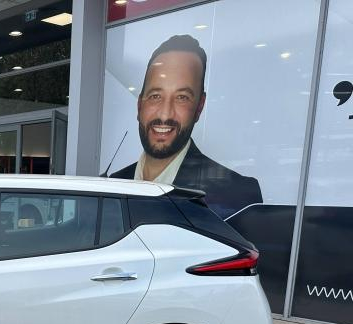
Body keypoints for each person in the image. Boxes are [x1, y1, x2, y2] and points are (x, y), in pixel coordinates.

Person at [111, 34, 262, 219]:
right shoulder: (112, 184)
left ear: (199, 107)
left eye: (182, 97)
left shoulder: (237, 196)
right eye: (155, 96)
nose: (165, 114)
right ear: (139, 104)